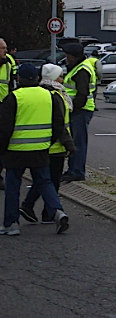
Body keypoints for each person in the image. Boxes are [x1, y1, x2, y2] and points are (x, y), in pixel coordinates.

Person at [0, 64, 74, 236]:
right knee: (45, 182)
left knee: (13, 185)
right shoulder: (49, 96)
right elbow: (58, 123)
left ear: (19, 79)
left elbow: (4, 128)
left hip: (15, 149)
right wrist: (48, 142)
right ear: (37, 78)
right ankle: (57, 211)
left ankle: (11, 224)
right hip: (41, 148)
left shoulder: (14, 97)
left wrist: (2, 150)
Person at [19, 64, 73, 224]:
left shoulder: (48, 92)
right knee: (50, 180)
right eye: (60, 76)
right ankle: (45, 211)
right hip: (54, 145)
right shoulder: (55, 95)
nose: (63, 79)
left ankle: (35, 208)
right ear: (54, 78)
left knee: (44, 179)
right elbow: (59, 123)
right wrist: (68, 144)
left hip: (47, 144)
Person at [61, 43, 96, 183]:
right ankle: (73, 170)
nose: (66, 57)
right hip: (79, 110)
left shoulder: (82, 70)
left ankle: (76, 171)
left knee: (78, 142)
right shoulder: (78, 67)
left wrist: (72, 108)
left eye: (68, 55)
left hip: (80, 110)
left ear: (74, 56)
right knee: (76, 141)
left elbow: (82, 94)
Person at [0, 38, 13, 190]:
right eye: (3, 49)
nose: (6, 51)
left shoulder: (8, 64)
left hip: (3, 107)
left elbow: (10, 84)